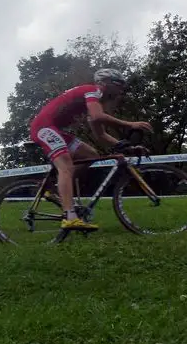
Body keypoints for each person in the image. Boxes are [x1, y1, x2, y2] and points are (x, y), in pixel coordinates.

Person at [30, 67, 152, 231]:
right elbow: (97, 117)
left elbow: (100, 135)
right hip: (43, 128)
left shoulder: (93, 103)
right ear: (107, 83)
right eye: (119, 85)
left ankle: (56, 189)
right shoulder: (93, 90)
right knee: (65, 166)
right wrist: (131, 124)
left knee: (91, 154)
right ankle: (70, 217)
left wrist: (127, 147)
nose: (121, 90)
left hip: (54, 130)